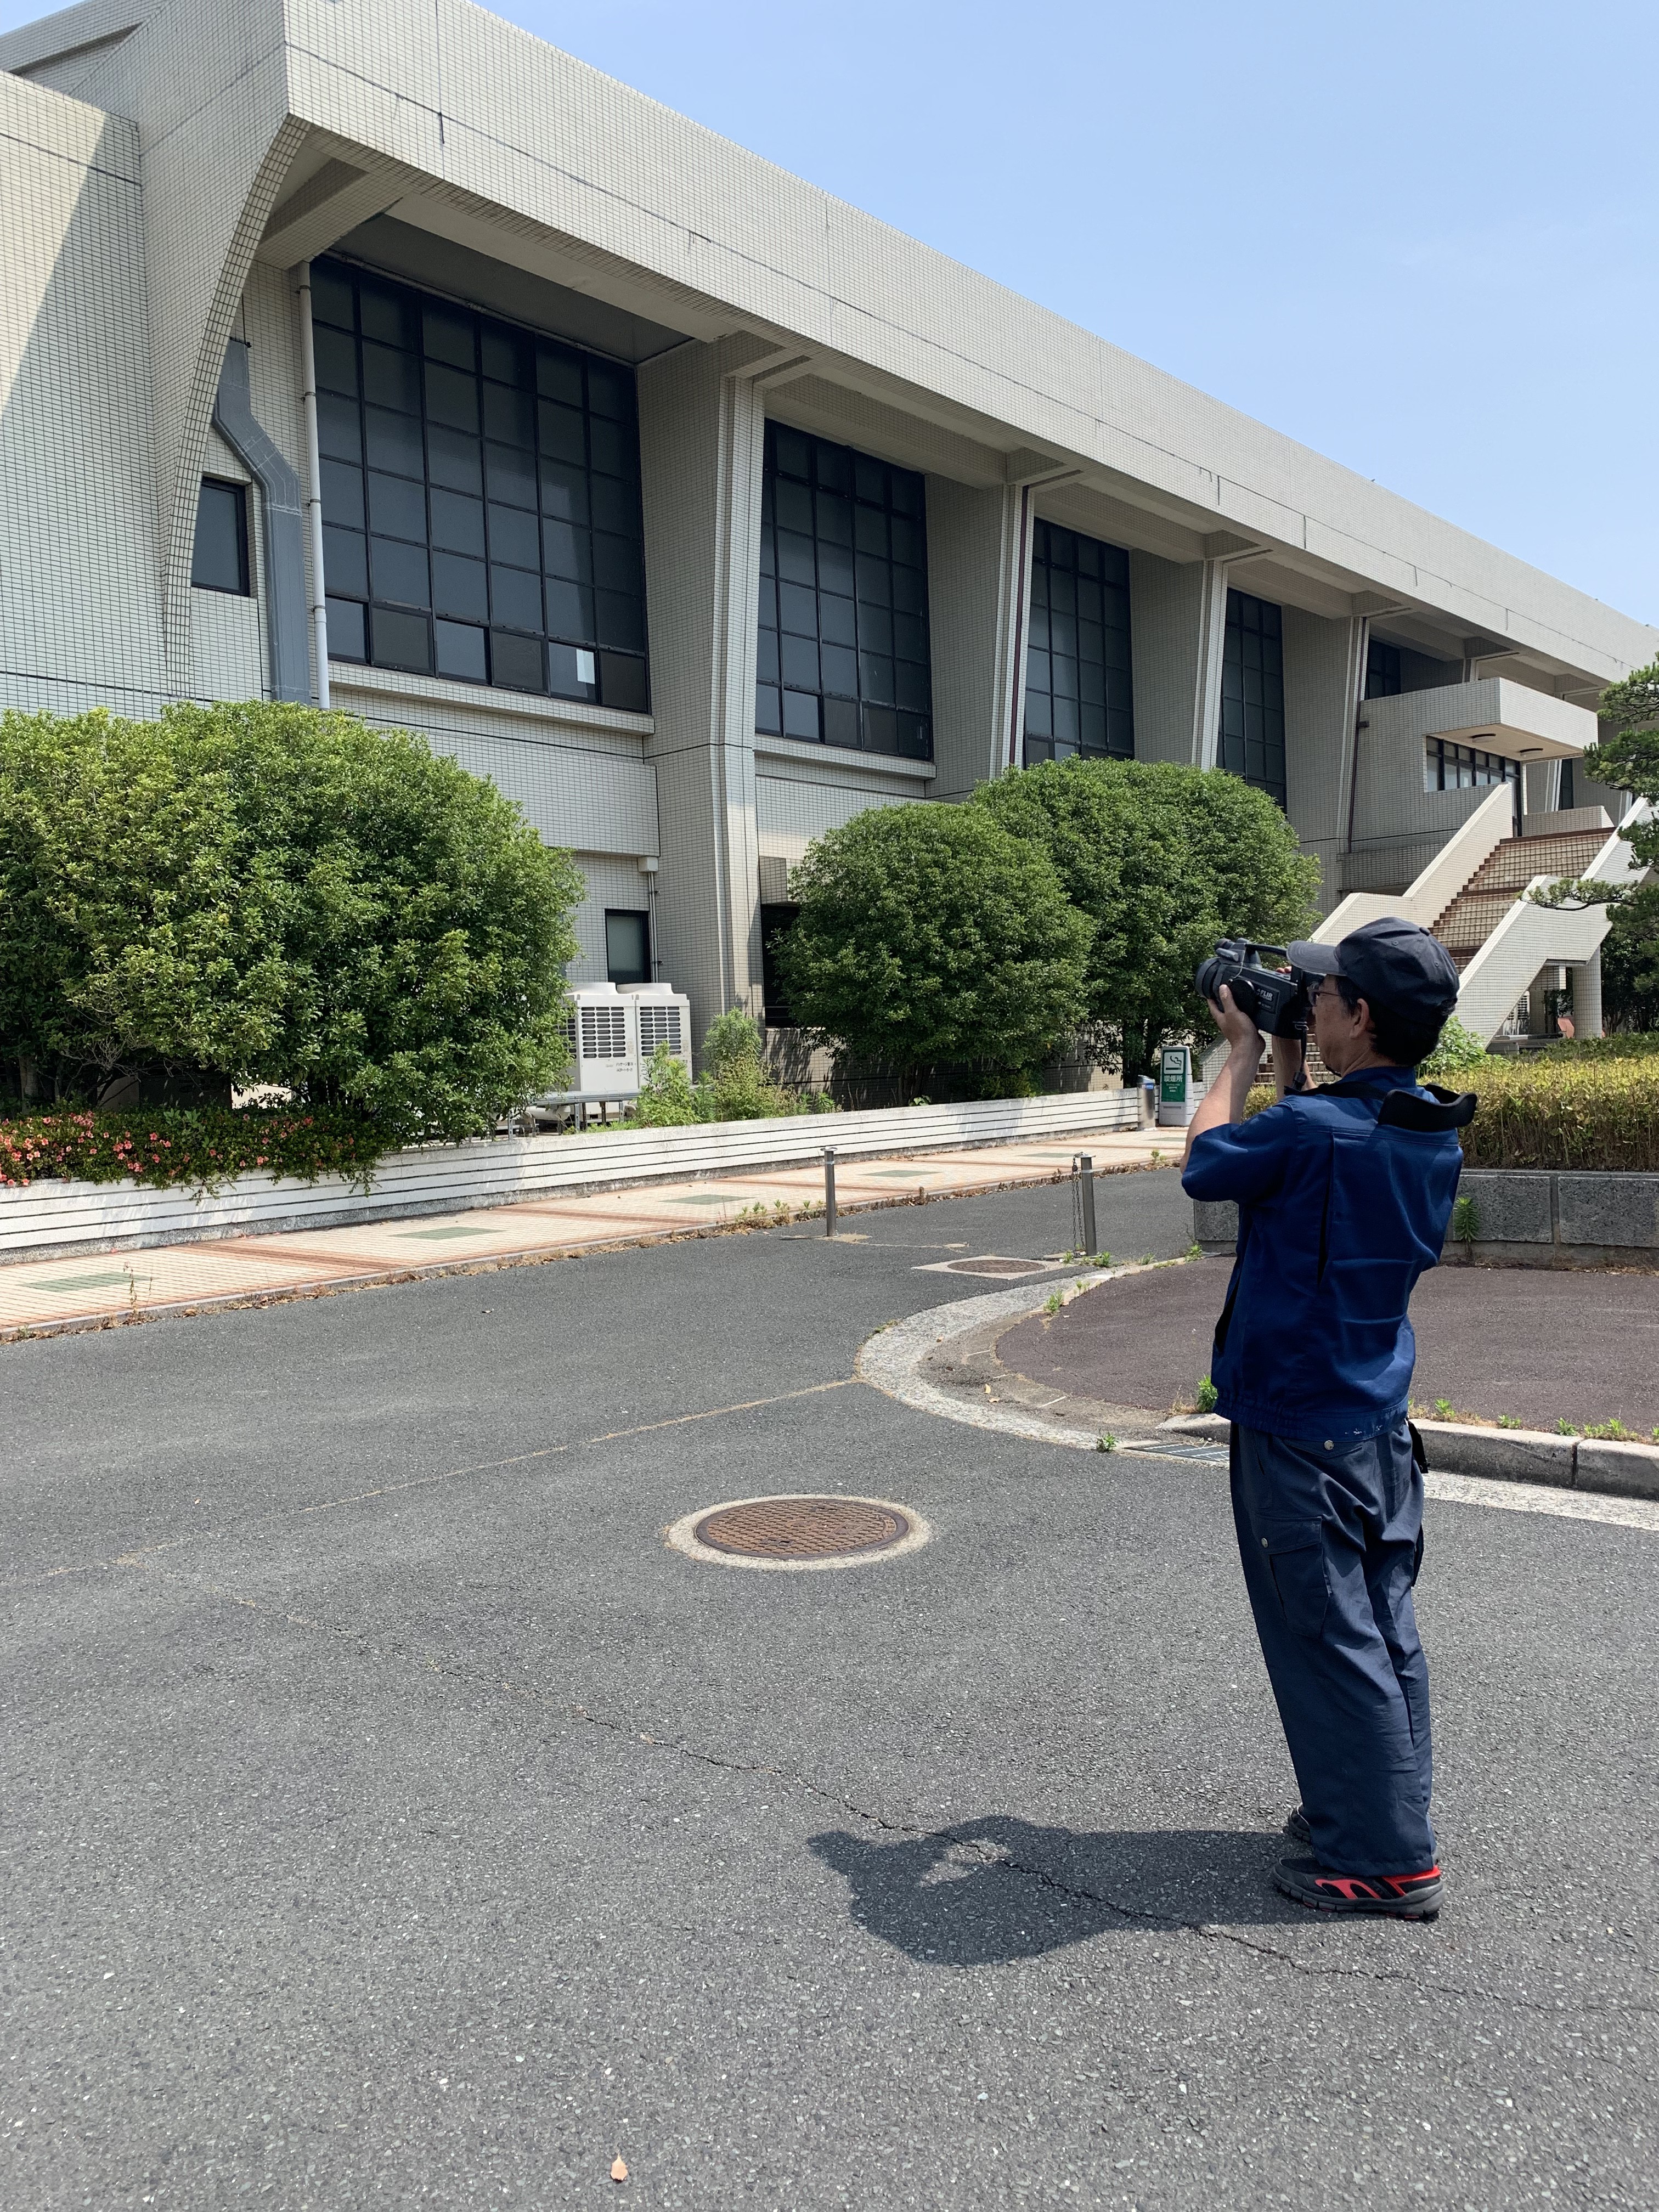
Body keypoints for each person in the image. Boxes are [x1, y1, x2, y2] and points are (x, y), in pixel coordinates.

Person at [1181, 917, 1475, 1921]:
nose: (1310, 1003)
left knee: (1325, 1635)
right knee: (1380, 1626)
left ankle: (1386, 1862)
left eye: (1324, 994)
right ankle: (1371, 1810)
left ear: (1362, 1013)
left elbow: (1207, 1163)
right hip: (1374, 1416)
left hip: (1297, 1421)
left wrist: (1240, 1053)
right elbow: (1318, 1147)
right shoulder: (1425, 1124)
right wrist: (1293, 1060)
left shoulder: (1310, 1131)